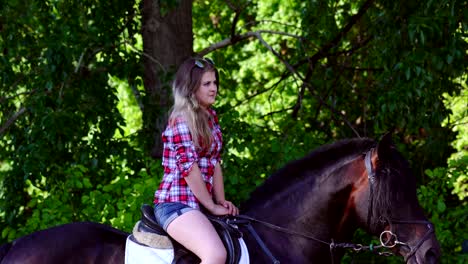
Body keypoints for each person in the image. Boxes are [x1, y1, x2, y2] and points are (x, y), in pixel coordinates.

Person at [153, 57, 239, 264]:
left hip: (197, 205)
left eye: (215, 83)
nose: (213, 89)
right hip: (176, 205)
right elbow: (189, 169)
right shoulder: (181, 120)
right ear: (191, 88)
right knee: (216, 255)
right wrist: (211, 206)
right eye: (206, 84)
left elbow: (215, 161)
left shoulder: (210, 118)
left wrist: (221, 201)